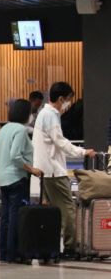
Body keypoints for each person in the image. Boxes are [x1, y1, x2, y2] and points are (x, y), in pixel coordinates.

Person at [32, 82, 94, 258]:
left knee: (55, 210)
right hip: (53, 171)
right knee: (68, 209)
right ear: (60, 99)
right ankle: (70, 248)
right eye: (68, 100)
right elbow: (61, 142)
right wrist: (83, 151)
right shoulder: (51, 115)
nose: (68, 104)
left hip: (45, 170)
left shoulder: (43, 114)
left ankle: (53, 246)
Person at [0, 99, 42, 263]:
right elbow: (15, 155)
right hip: (17, 178)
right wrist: (31, 169)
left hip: (3, 178)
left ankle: (4, 253)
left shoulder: (4, 128)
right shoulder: (20, 130)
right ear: (26, 114)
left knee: (5, 217)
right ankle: (14, 253)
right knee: (15, 217)